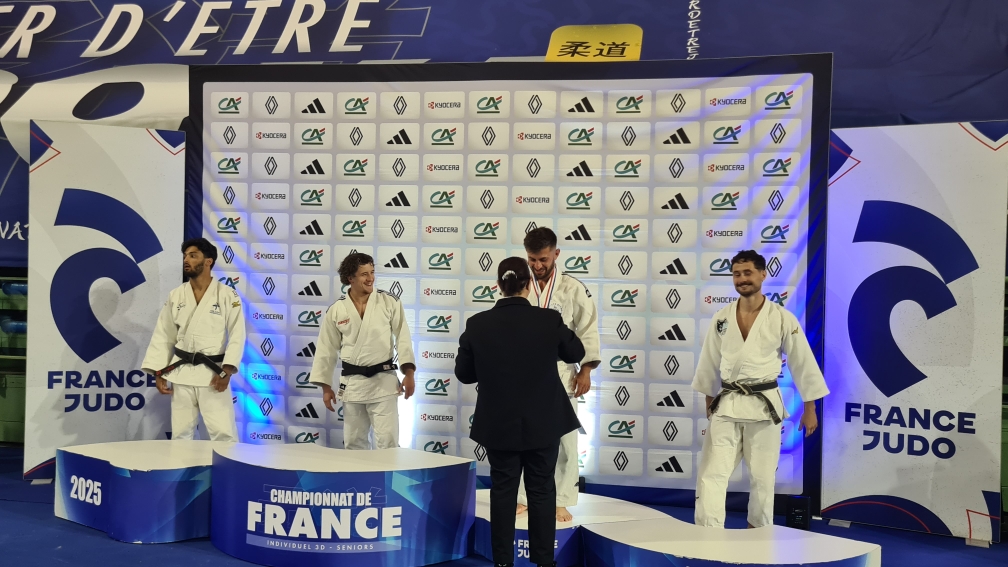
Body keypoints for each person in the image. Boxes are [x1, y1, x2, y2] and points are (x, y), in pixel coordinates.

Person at [455, 257, 584, 567]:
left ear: (498, 286)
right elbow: (576, 352)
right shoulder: (548, 319)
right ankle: (544, 562)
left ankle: (502, 562)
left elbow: (464, 374)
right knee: (542, 491)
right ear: (529, 285)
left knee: (503, 491)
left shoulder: (477, 324)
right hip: (544, 422)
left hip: (498, 423)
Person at [692, 250, 829, 528]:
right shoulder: (722, 318)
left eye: (748, 273)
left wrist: (810, 407)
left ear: (763, 274)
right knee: (711, 474)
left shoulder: (781, 318)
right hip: (727, 405)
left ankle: (759, 531)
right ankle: (708, 533)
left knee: (763, 478)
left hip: (764, 407)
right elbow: (709, 362)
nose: (742, 279)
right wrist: (709, 400)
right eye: (736, 274)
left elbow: (802, 361)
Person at [518, 227, 600, 522]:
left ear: (556, 254)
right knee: (524, 439)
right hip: (524, 374)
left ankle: (561, 499)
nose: (537, 265)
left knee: (565, 441)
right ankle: (523, 497)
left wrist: (586, 369)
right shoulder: (520, 285)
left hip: (561, 372)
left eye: (543, 259)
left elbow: (587, 329)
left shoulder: (572, 288)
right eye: (532, 259)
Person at [141, 238, 245, 441]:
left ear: (208, 261)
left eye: (193, 255)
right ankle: (183, 464)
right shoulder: (176, 295)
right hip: (182, 372)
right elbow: (164, 334)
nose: (186, 260)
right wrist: (159, 371)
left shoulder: (227, 295)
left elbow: (237, 334)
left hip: (213, 373)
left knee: (223, 434)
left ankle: (227, 464)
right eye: (185, 256)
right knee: (181, 435)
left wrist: (227, 370)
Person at [309, 253, 416, 449]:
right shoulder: (337, 309)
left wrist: (408, 373)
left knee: (389, 443)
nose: (370, 278)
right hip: (353, 385)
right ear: (350, 278)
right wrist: (325, 387)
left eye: (372, 272)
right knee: (354, 444)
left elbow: (403, 338)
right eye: (364, 274)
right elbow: (326, 349)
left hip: (384, 382)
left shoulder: (389, 302)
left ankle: (388, 471)